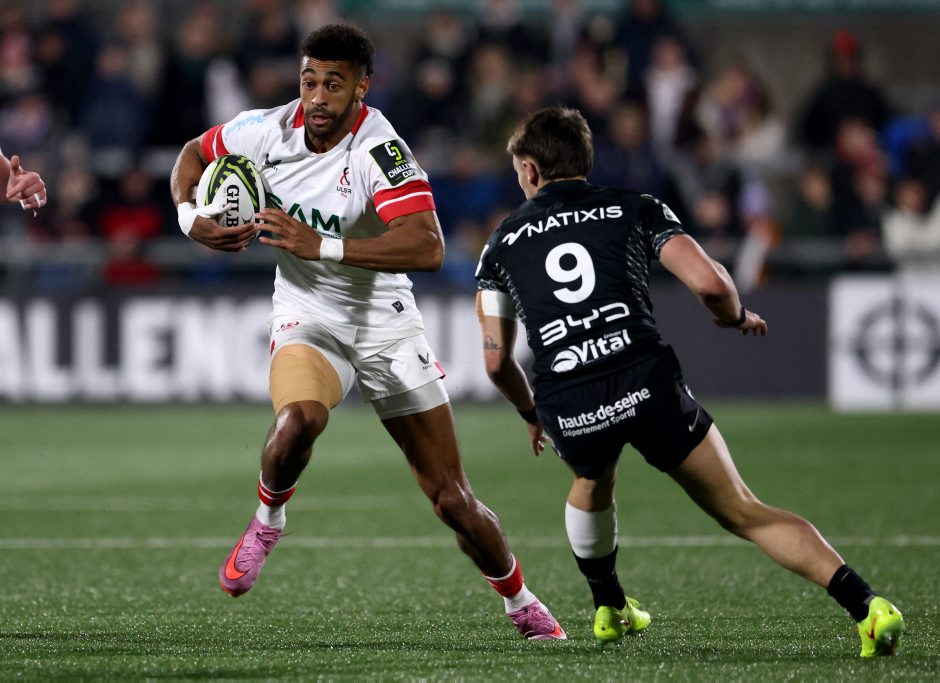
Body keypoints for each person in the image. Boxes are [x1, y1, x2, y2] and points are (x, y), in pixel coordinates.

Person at [169, 24, 565, 641]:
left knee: (452, 500)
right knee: (297, 421)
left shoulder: (381, 150)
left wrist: (321, 244)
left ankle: (521, 601)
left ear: (361, 88)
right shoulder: (265, 130)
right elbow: (194, 153)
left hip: (386, 325)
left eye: (334, 84)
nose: (317, 97)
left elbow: (428, 246)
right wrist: (189, 215)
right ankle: (267, 520)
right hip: (307, 313)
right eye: (309, 81)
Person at [474, 106, 904, 655]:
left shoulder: (501, 243)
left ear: (530, 170)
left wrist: (531, 413)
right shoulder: (634, 205)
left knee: (591, 479)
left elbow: (495, 362)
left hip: (569, 396)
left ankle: (609, 607)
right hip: (644, 377)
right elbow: (711, 283)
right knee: (743, 510)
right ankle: (867, 607)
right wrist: (733, 316)